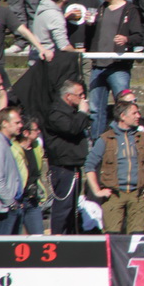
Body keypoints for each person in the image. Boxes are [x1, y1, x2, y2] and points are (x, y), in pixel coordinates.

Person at [83, 101, 144, 234]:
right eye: (134, 113)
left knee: (136, 237)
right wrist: (97, 191)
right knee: (113, 236)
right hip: (114, 195)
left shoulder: (142, 138)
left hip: (138, 195)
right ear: (122, 116)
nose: (138, 116)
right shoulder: (106, 138)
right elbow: (89, 165)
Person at [87, 0, 143, 139]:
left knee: (125, 107)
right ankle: (97, 143)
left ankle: (125, 140)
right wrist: (88, 24)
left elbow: (139, 36)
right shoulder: (101, 9)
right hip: (98, 66)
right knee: (96, 110)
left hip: (118, 67)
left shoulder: (130, 10)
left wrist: (126, 39)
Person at [44, 81, 90, 234]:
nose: (83, 98)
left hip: (73, 165)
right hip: (63, 167)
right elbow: (72, 128)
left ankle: (69, 237)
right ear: (68, 96)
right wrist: (82, 113)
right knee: (63, 209)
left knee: (72, 209)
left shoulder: (72, 112)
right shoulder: (55, 114)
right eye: (80, 95)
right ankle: (58, 239)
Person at [10, 118, 46, 234]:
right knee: (13, 237)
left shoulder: (36, 148)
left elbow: (37, 174)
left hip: (32, 200)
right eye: (36, 130)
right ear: (26, 133)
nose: (39, 131)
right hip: (17, 200)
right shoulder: (12, 149)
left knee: (38, 236)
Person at [0, 108, 23, 234]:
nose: (20, 126)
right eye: (17, 123)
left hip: (9, 208)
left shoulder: (5, 144)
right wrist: (11, 203)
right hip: (2, 210)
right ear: (4, 123)